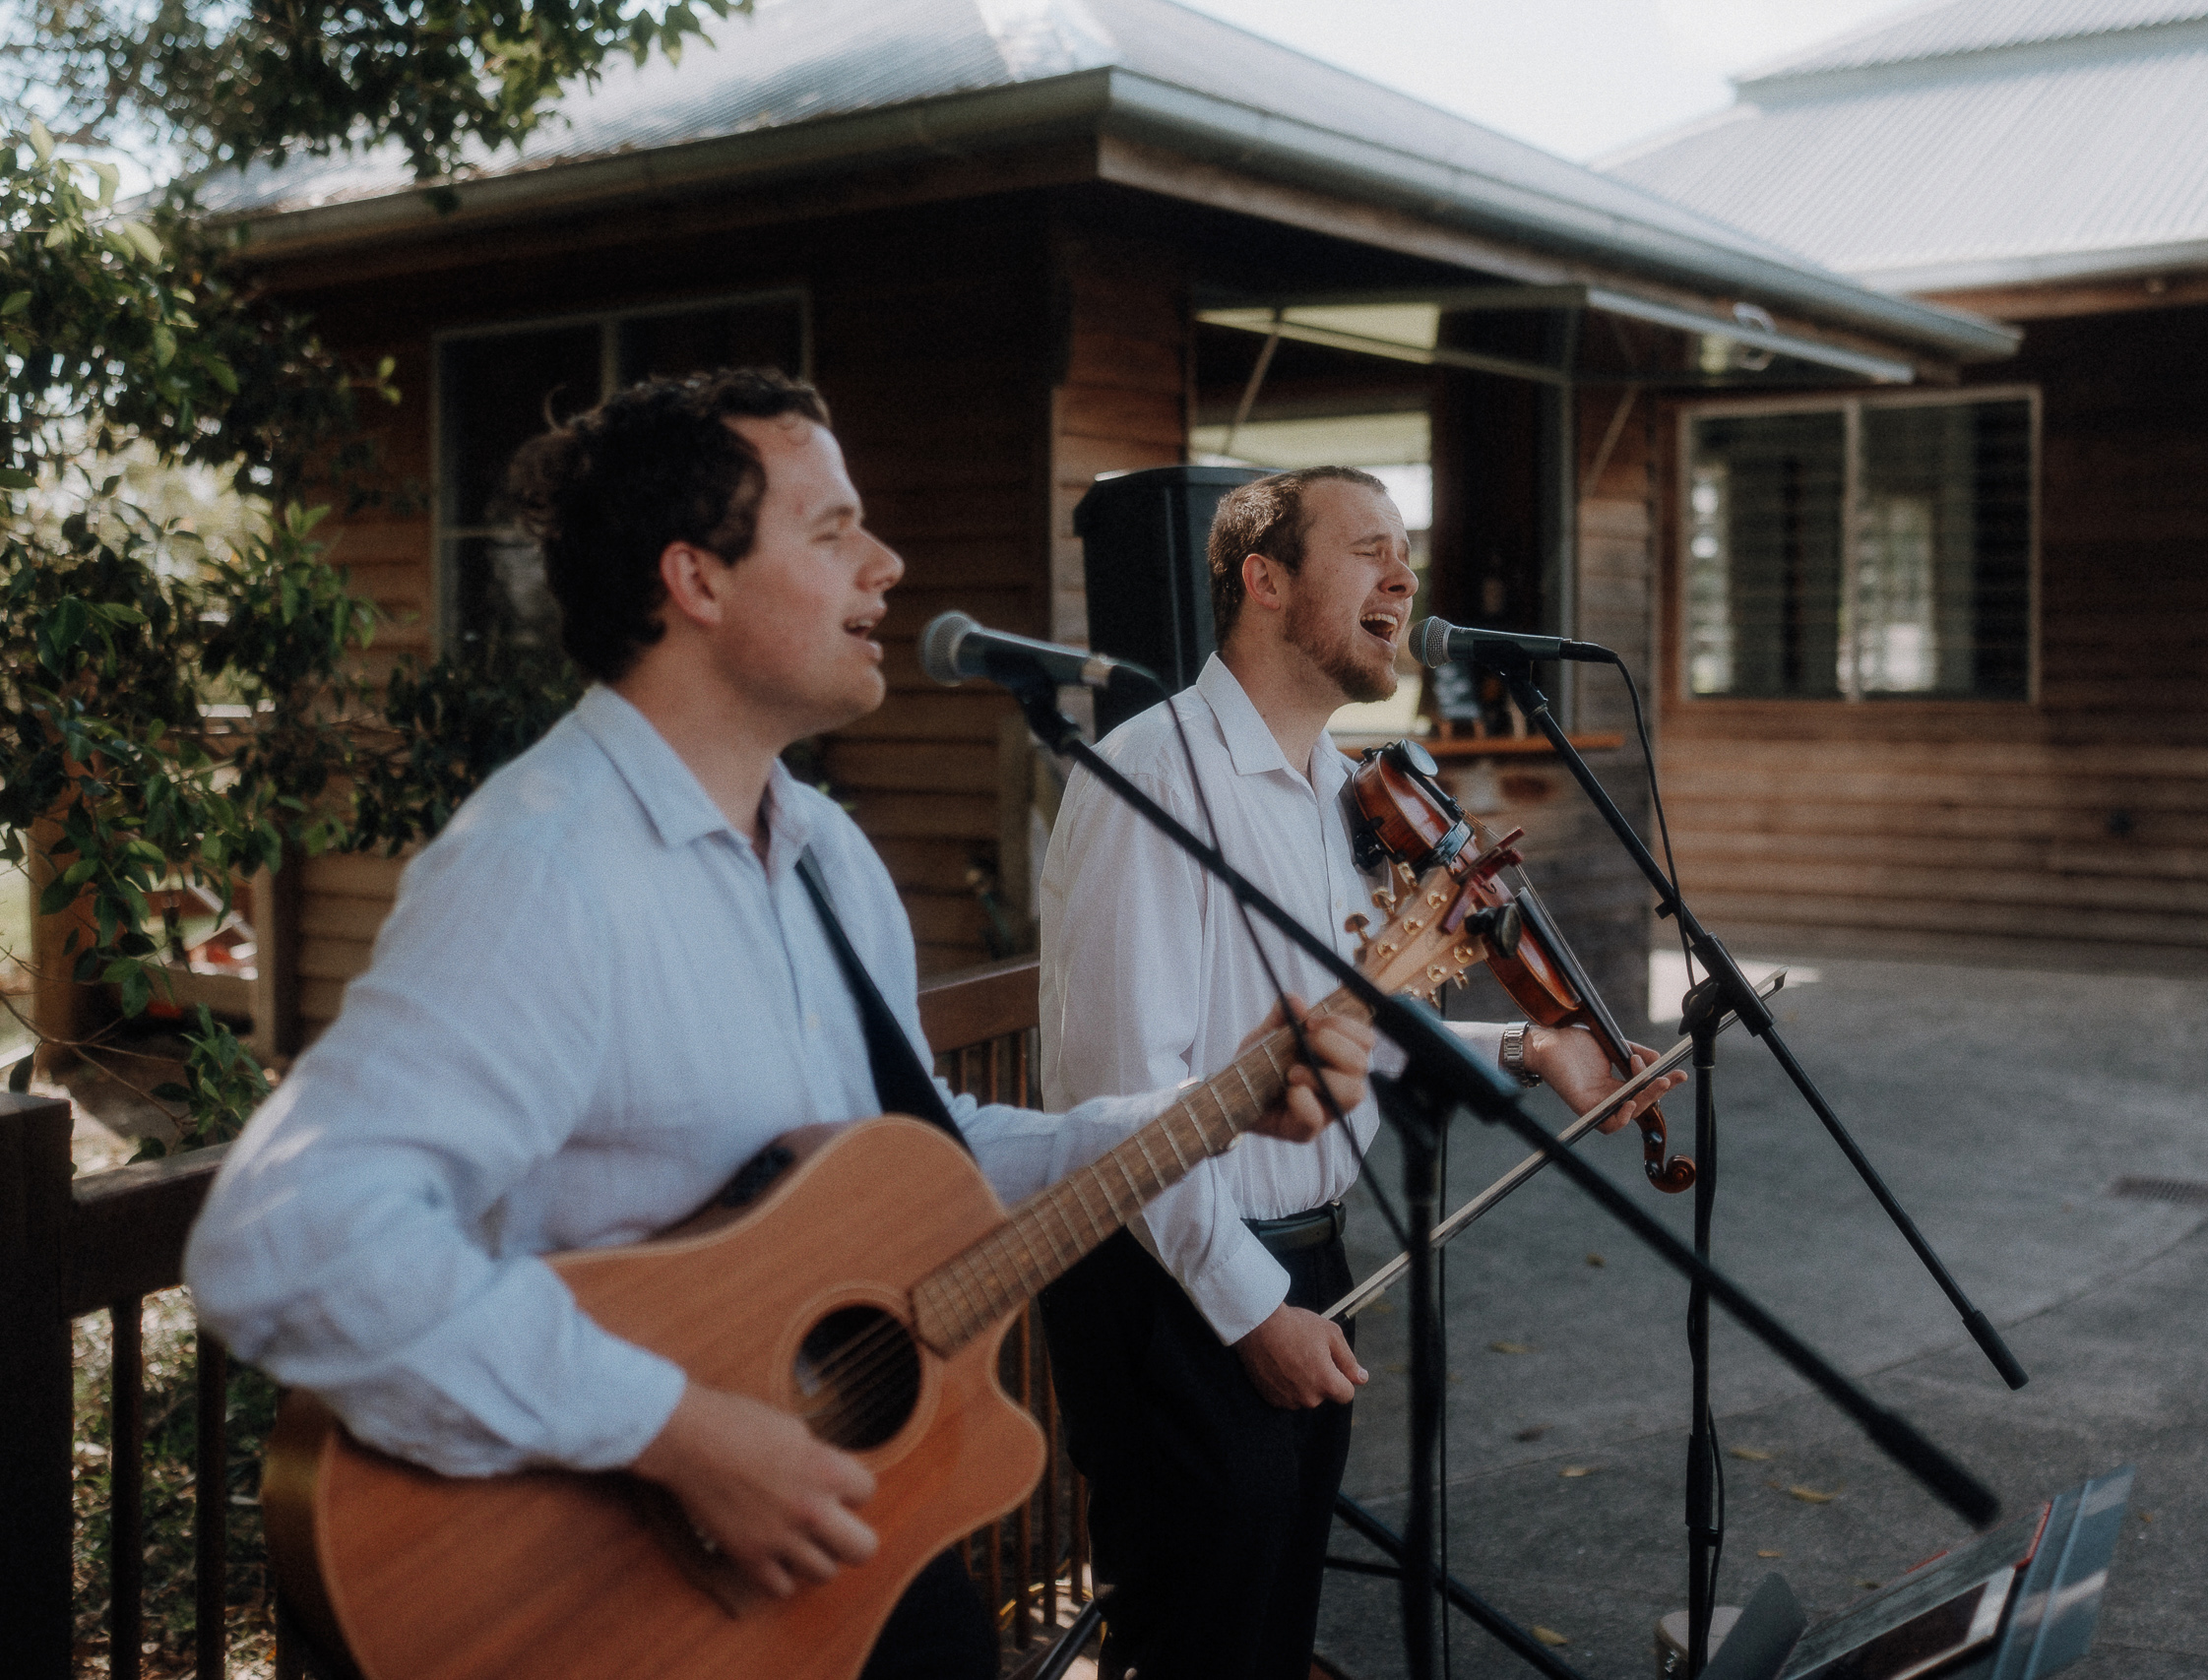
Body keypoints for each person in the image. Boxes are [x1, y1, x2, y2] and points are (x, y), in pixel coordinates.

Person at [181, 372, 1371, 1678]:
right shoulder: (544, 866)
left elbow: (930, 1149)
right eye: (832, 530)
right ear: (695, 579)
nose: (888, 561)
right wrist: (677, 1431)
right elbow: (281, 1238)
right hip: (614, 1591)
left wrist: (1214, 1105)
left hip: (838, 1561)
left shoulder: (826, 856)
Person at [1034, 466, 1675, 1680]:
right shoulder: (1151, 777)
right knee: (1199, 1646)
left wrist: (1532, 1050)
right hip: (1179, 1281)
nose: (1403, 578)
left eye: (1407, 554)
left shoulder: (1343, 789)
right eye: (1367, 551)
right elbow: (1118, 1098)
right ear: (1264, 581)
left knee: (1271, 1633)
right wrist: (1249, 1310)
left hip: (1303, 1260)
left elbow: (1350, 1028)